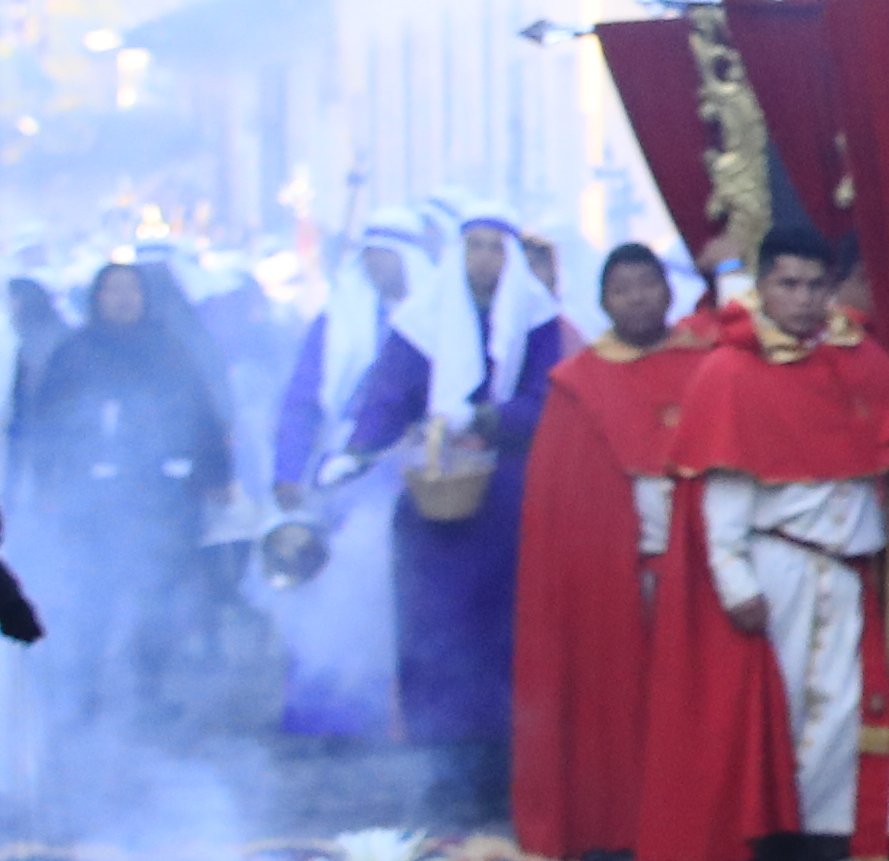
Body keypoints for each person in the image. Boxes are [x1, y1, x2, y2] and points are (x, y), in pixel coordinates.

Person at [665, 224, 889, 861]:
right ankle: (768, 853)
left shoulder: (856, 357)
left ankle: (828, 844)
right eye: (788, 285)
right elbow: (721, 491)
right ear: (762, 286)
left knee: (842, 712)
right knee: (777, 719)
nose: (804, 299)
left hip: (844, 568)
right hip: (777, 565)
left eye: (815, 285)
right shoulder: (730, 372)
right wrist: (735, 580)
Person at [509, 244, 697, 861]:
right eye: (622, 289)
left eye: (647, 284)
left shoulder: (709, 366)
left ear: (668, 290)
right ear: (603, 302)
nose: (637, 298)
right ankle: (622, 822)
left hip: (704, 566)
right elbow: (563, 501)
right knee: (619, 700)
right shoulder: (579, 385)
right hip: (619, 571)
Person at [8, 260, 232, 765]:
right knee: (95, 598)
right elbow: (47, 423)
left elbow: (203, 415)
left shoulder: (170, 350)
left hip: (163, 497)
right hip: (93, 498)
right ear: (97, 298)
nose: (123, 299)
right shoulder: (75, 354)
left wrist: (216, 476)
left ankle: (148, 692)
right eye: (113, 290)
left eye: (132, 290)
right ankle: (85, 695)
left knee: (159, 597)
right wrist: (47, 484)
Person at [386, 205, 565, 800]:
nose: (483, 259)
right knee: (434, 629)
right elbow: (390, 389)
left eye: (495, 248)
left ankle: (503, 765)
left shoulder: (537, 319)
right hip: (436, 497)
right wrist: (356, 450)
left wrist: (488, 419)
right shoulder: (423, 317)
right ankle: (441, 764)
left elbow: (547, 397)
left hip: (508, 499)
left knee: (503, 633)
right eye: (474, 246)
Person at [269, 220, 430, 745]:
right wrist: (288, 468)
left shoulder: (434, 318)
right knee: (329, 587)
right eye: (369, 254)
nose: (376, 264)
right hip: (341, 472)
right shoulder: (336, 321)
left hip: (412, 469)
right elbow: (303, 399)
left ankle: (392, 713)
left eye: (387, 253)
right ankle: (323, 710)